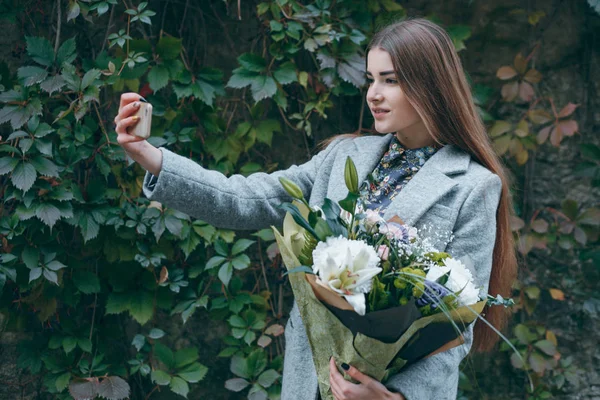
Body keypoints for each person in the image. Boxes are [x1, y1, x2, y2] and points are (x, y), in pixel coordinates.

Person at [114, 17, 517, 400]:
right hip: (309, 381)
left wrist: (396, 395)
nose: (373, 94)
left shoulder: (473, 186)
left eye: (390, 81)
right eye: (371, 79)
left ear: (431, 85)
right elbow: (247, 200)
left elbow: (456, 326)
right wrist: (150, 157)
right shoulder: (343, 157)